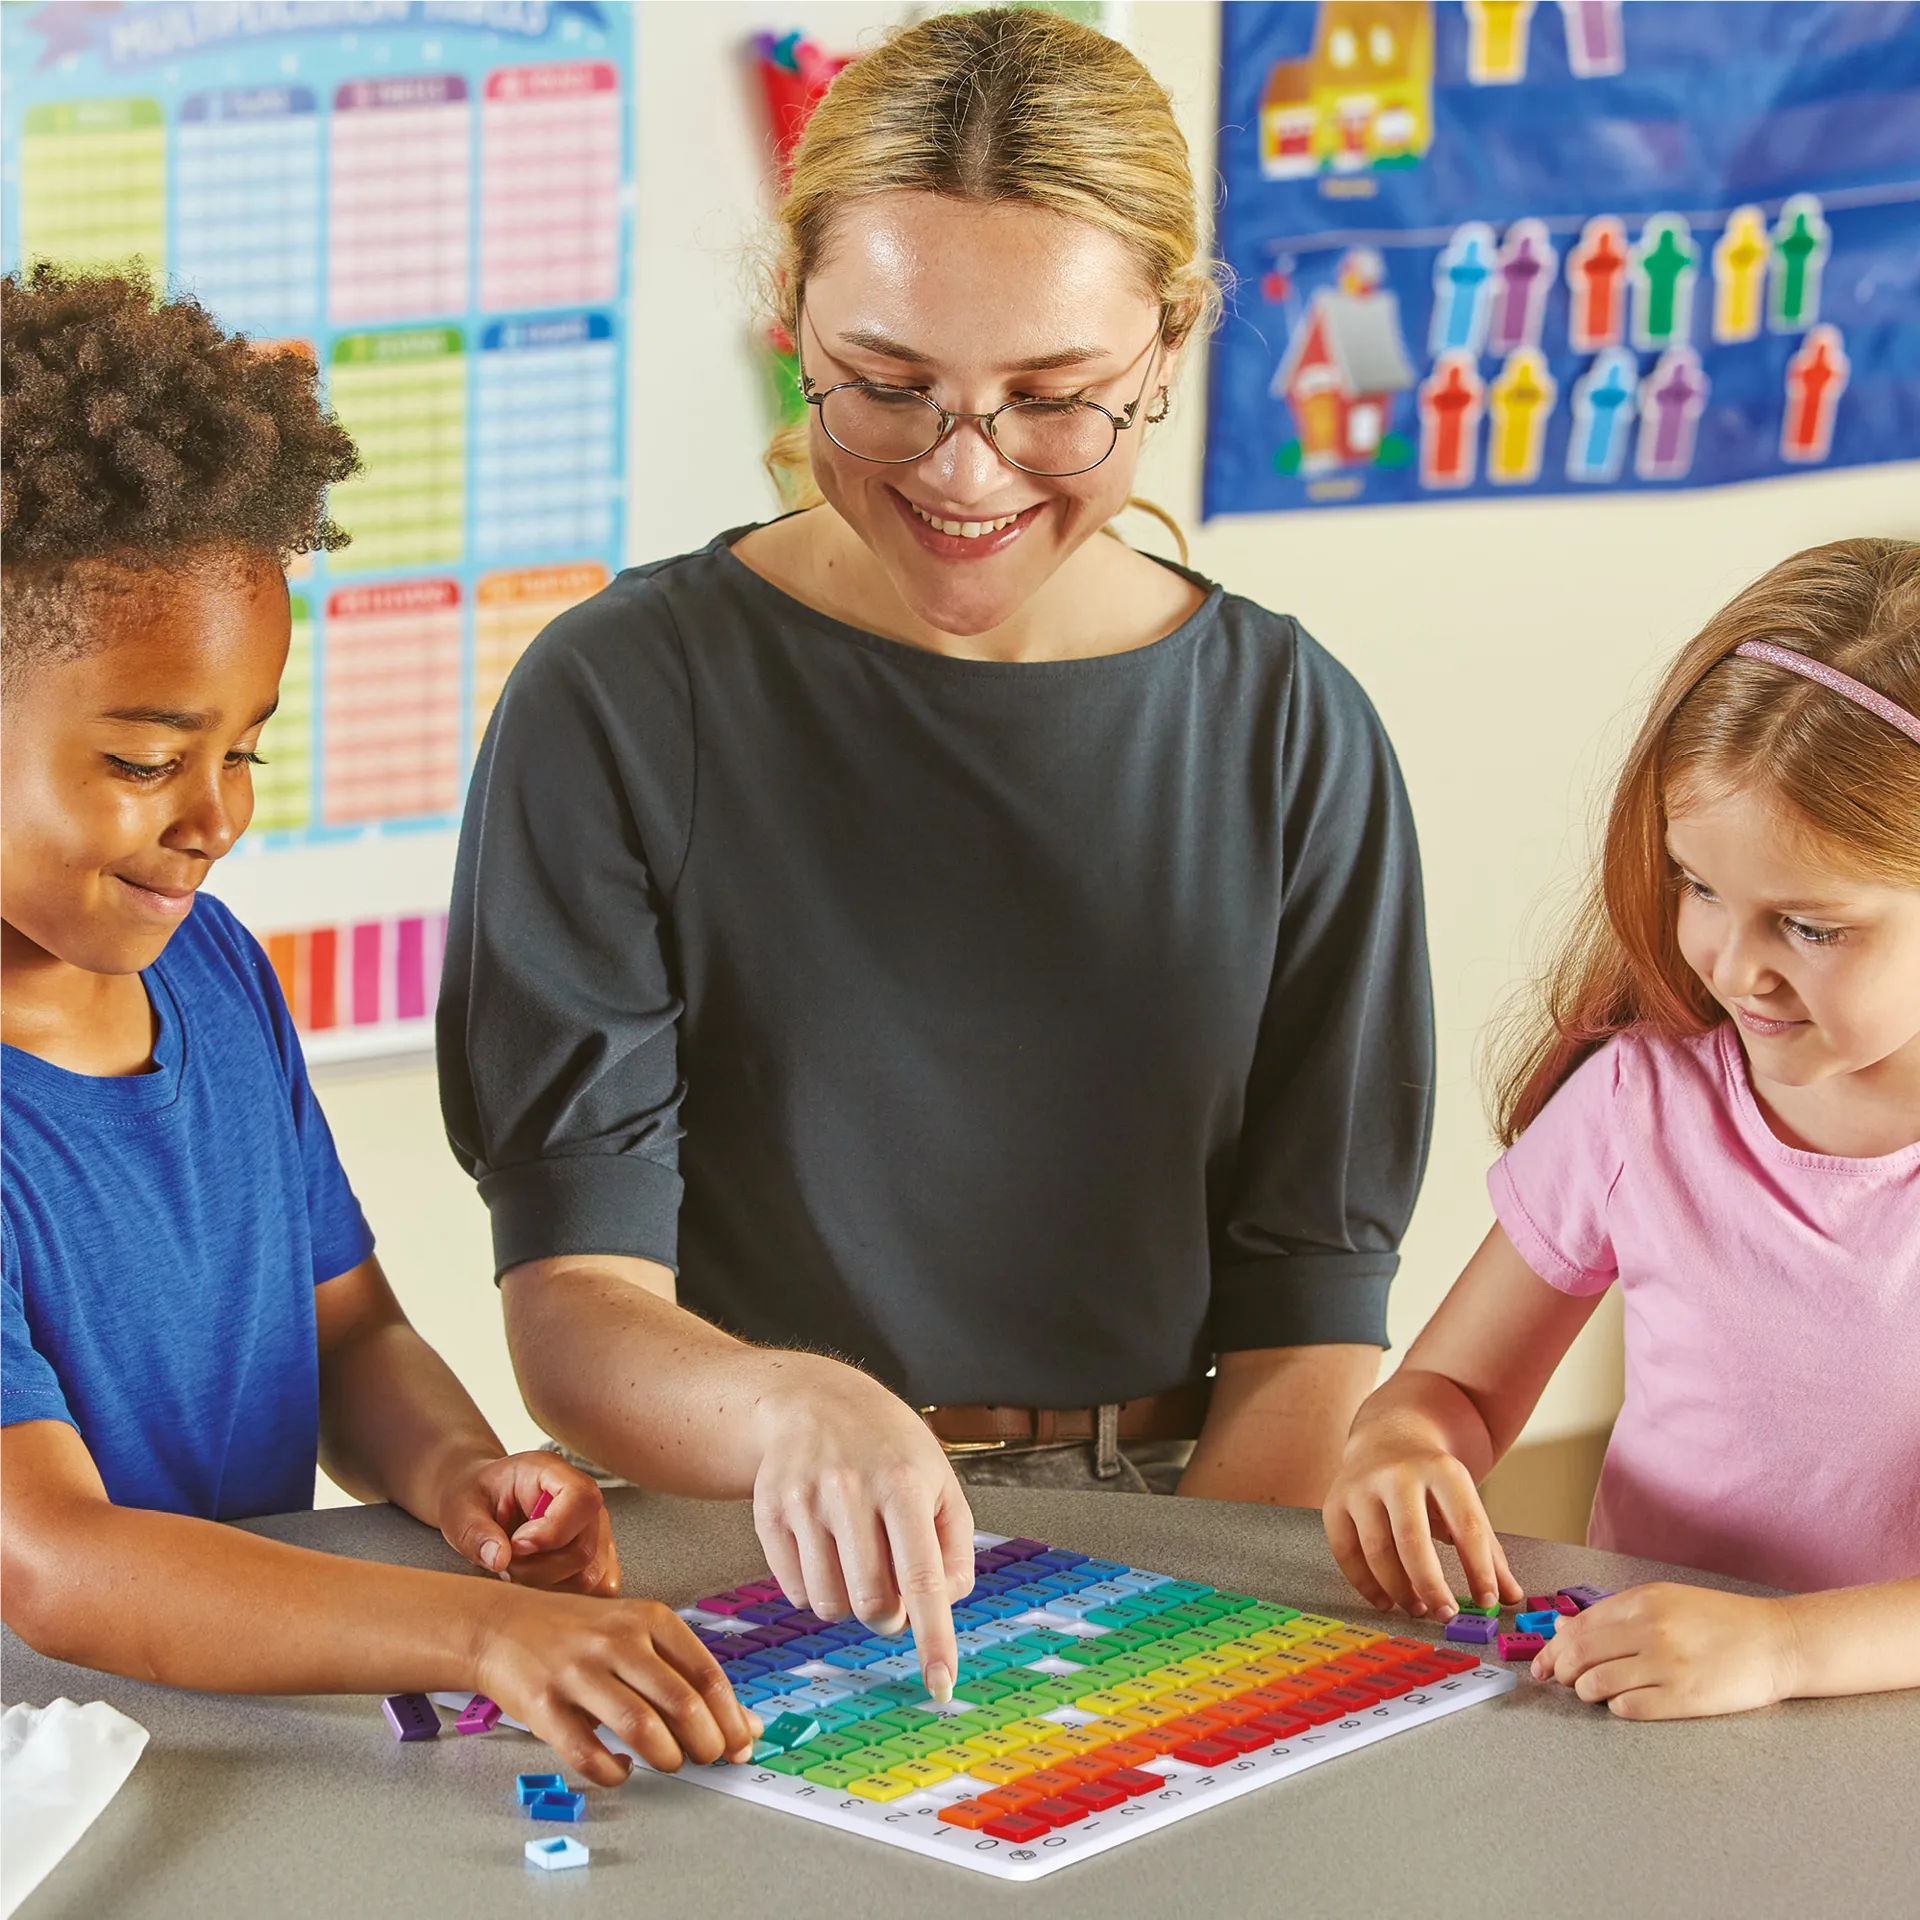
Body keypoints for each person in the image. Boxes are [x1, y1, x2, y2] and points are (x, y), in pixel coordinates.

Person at [440, 7, 1433, 1702]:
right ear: (794, 324)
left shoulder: (1289, 729)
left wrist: (1157, 1640)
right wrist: (794, 1409)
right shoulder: (617, 698)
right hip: (756, 1534)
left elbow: (1308, 1326)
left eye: (1057, 405)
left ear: (1172, 348)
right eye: (887, 387)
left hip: (1189, 1527)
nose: (963, 475)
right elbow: (576, 1312)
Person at [0, 266, 756, 1786]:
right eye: (148, 760)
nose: (217, 817)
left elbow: (348, 1333)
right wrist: (474, 1637)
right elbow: (55, 1564)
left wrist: (465, 1476)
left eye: (247, 747)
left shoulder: (210, 973)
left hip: (247, 1743)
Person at [1323, 539, 1920, 1718]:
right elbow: (1458, 1385)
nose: (1736, 968)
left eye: (1809, 926)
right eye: (1698, 886)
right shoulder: (1638, 1107)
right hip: (1651, 1744)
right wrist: (1401, 1442)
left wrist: (1787, 1650)